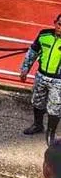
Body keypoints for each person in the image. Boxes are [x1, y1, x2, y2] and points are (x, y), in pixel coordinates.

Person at [21, 14, 61, 144]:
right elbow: (32, 52)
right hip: (41, 76)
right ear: (55, 23)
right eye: (59, 24)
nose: (60, 27)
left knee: (55, 108)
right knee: (37, 102)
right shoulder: (44, 35)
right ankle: (38, 125)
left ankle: (51, 133)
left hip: (58, 81)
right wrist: (25, 69)